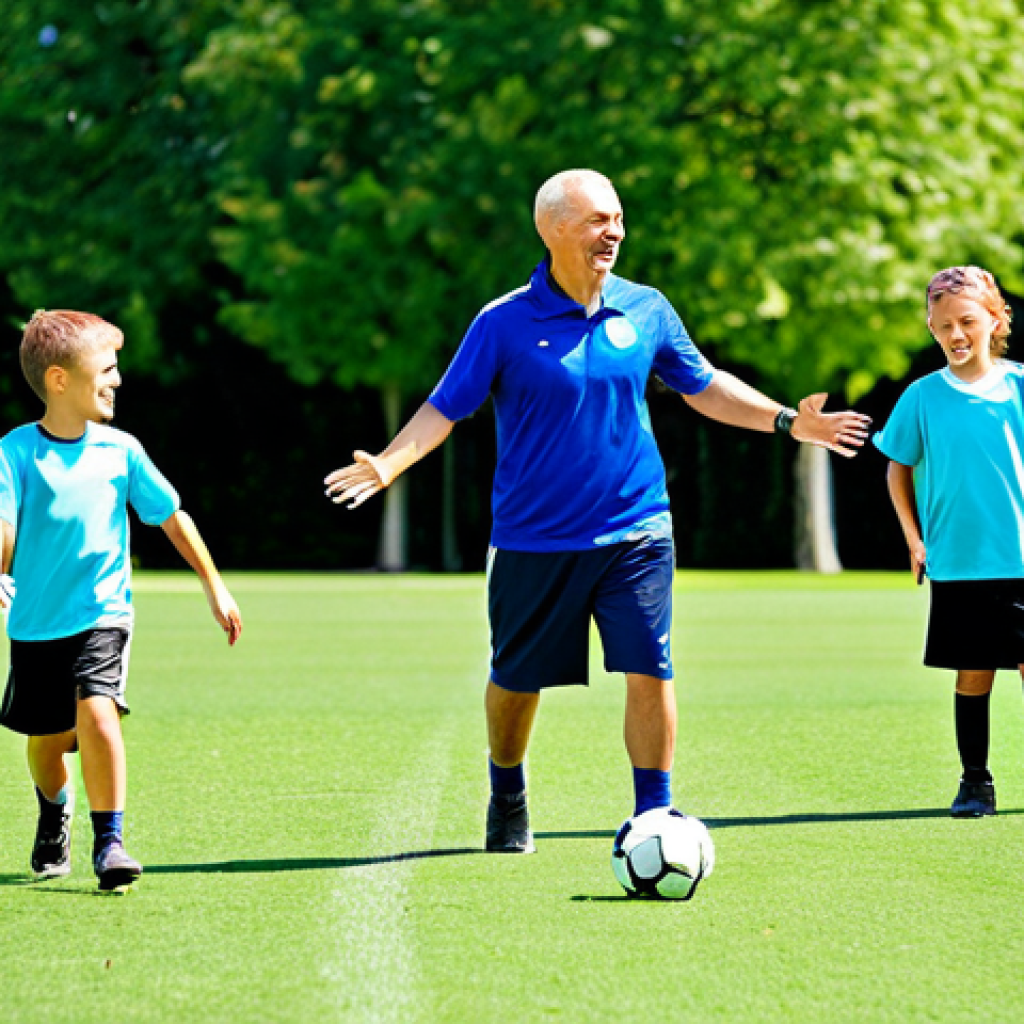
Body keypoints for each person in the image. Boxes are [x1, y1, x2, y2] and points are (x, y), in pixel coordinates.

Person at [325, 169, 871, 852]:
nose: (612, 232)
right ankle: (507, 790)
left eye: (616, 219)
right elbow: (445, 407)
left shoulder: (646, 308)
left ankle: (655, 815)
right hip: (535, 539)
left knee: (651, 667)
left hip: (637, 529)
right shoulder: (502, 322)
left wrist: (791, 422)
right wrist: (388, 462)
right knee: (516, 681)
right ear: (552, 229)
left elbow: (704, 386)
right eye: (595, 221)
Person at [0, 310, 243, 890]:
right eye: (105, 368)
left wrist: (215, 584)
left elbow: (172, 517)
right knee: (48, 743)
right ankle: (53, 809)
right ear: (59, 380)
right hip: (35, 624)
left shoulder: (123, 450)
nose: (117, 379)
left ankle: (109, 842)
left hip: (103, 614)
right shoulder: (14, 452)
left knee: (98, 708)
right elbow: (4, 526)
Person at [874, 266, 1017, 818]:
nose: (955, 336)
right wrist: (914, 539)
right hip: (959, 562)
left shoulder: (1021, 388)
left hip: (1021, 558)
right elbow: (897, 468)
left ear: (995, 319)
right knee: (974, 669)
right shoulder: (922, 396)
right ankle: (975, 783)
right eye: (942, 327)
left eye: (966, 322)